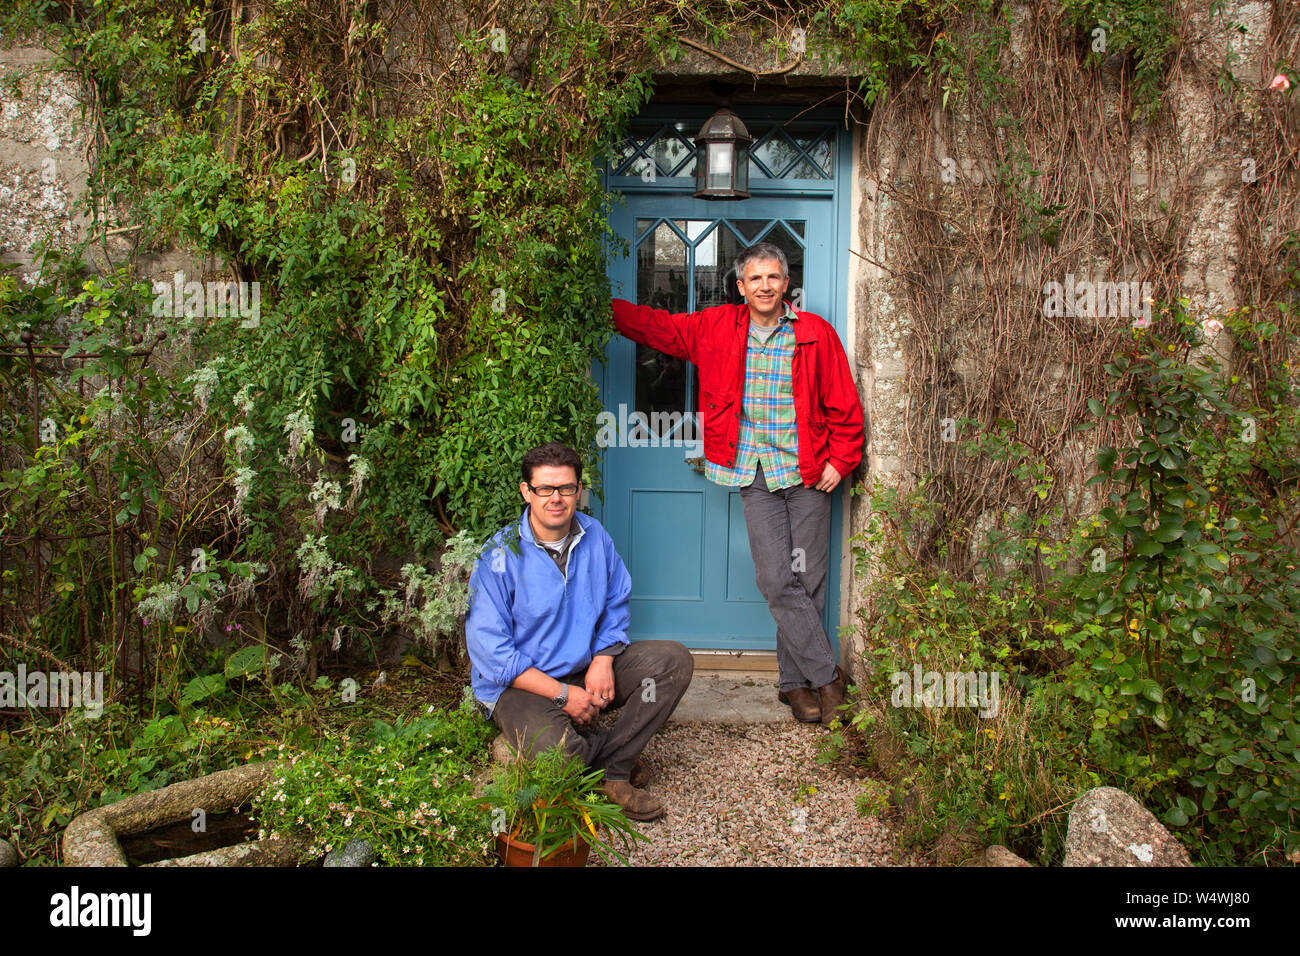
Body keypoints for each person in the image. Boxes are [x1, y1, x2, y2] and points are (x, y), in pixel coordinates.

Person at [611, 242, 865, 724]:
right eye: (755, 279)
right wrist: (603, 308)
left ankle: (793, 685)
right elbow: (660, 329)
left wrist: (842, 459)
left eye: (773, 278)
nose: (765, 286)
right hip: (753, 472)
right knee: (776, 579)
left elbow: (843, 404)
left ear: (786, 285)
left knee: (807, 579)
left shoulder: (814, 334)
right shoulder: (716, 328)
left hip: (808, 472)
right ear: (741, 286)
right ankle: (829, 677)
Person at [465, 441, 693, 820]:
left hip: (584, 668)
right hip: (522, 686)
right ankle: (606, 754)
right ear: (527, 491)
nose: (556, 498)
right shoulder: (498, 557)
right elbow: (492, 653)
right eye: (545, 489)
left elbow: (616, 600)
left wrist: (604, 658)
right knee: (558, 757)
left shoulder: (595, 536)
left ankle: (614, 773)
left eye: (566, 488)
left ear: (578, 490)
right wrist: (561, 695)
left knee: (672, 662)